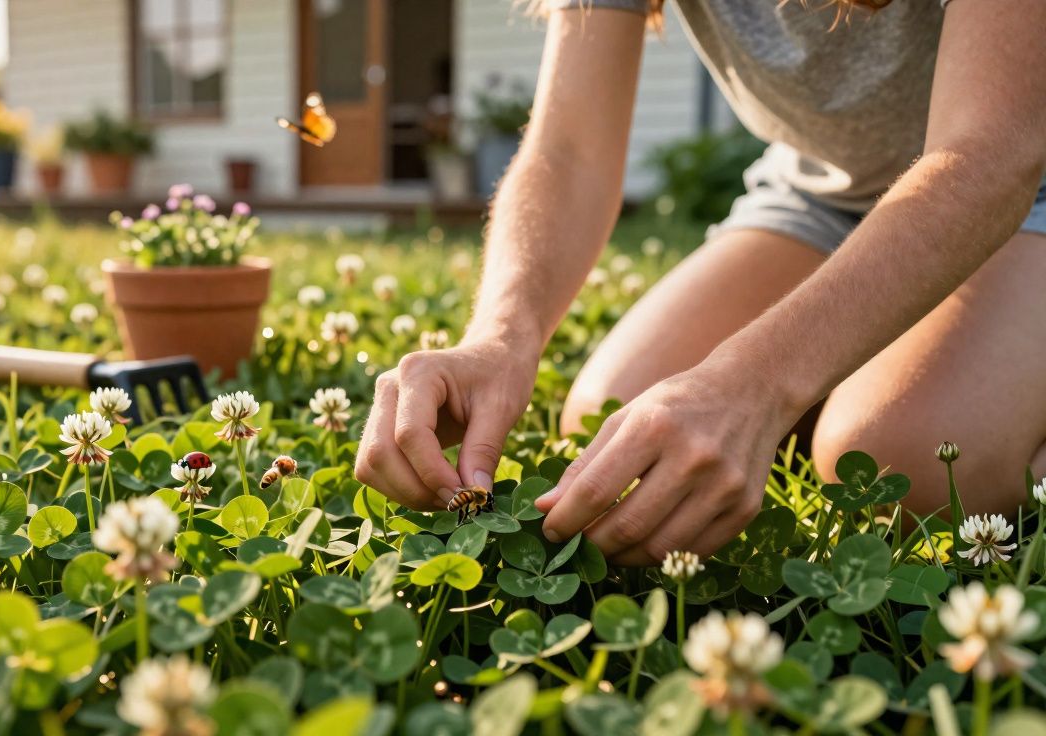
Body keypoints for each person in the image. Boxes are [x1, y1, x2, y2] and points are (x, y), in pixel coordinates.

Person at [354, 0, 1046, 565]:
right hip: (824, 192)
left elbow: (990, 148)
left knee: (904, 464)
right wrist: (498, 336)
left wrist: (758, 381)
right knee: (613, 416)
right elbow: (569, 150)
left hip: (1018, 174)